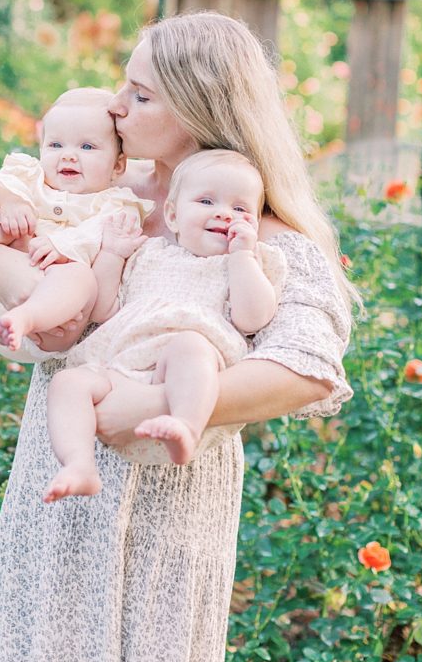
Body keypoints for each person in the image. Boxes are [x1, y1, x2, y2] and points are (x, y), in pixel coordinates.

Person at [0, 11, 356, 662]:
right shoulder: (101, 198)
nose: (115, 106)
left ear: (199, 108)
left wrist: (146, 403)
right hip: (58, 473)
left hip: (172, 490)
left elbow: (307, 366)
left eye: (139, 95)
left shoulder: (254, 229)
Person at [43, 149, 287, 502]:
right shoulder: (148, 253)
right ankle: (78, 463)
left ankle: (185, 426)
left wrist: (243, 256)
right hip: (122, 364)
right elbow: (101, 309)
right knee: (68, 382)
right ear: (172, 215)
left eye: (240, 209)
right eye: (206, 200)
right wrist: (112, 254)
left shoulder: (244, 264)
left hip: (185, 367)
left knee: (189, 346)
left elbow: (252, 319)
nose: (223, 213)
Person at [0, 87, 153, 359]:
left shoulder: (116, 204)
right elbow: (0, 181)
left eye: (87, 147)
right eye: (56, 145)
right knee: (2, 220)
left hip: (52, 328)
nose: (68, 155)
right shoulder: (33, 178)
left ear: (118, 166)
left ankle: (26, 316)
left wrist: (62, 245)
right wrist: (10, 200)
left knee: (80, 276)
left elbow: (95, 234)